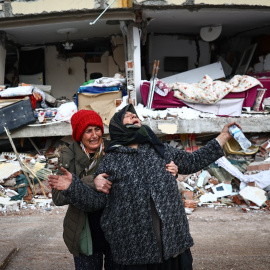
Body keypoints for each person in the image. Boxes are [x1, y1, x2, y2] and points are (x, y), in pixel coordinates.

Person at [49, 104, 238, 270]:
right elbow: (97, 202)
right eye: (128, 116)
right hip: (136, 251)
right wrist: (73, 186)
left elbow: (194, 160)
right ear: (117, 126)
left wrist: (223, 137)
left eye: (136, 116)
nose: (134, 117)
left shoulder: (161, 150)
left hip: (172, 245)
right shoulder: (112, 159)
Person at [52, 109, 179, 270]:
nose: (94, 135)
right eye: (88, 131)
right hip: (86, 229)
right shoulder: (68, 158)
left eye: (97, 129)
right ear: (79, 135)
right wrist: (90, 181)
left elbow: (144, 171)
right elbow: (57, 197)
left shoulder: (115, 148)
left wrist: (170, 170)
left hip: (118, 227)